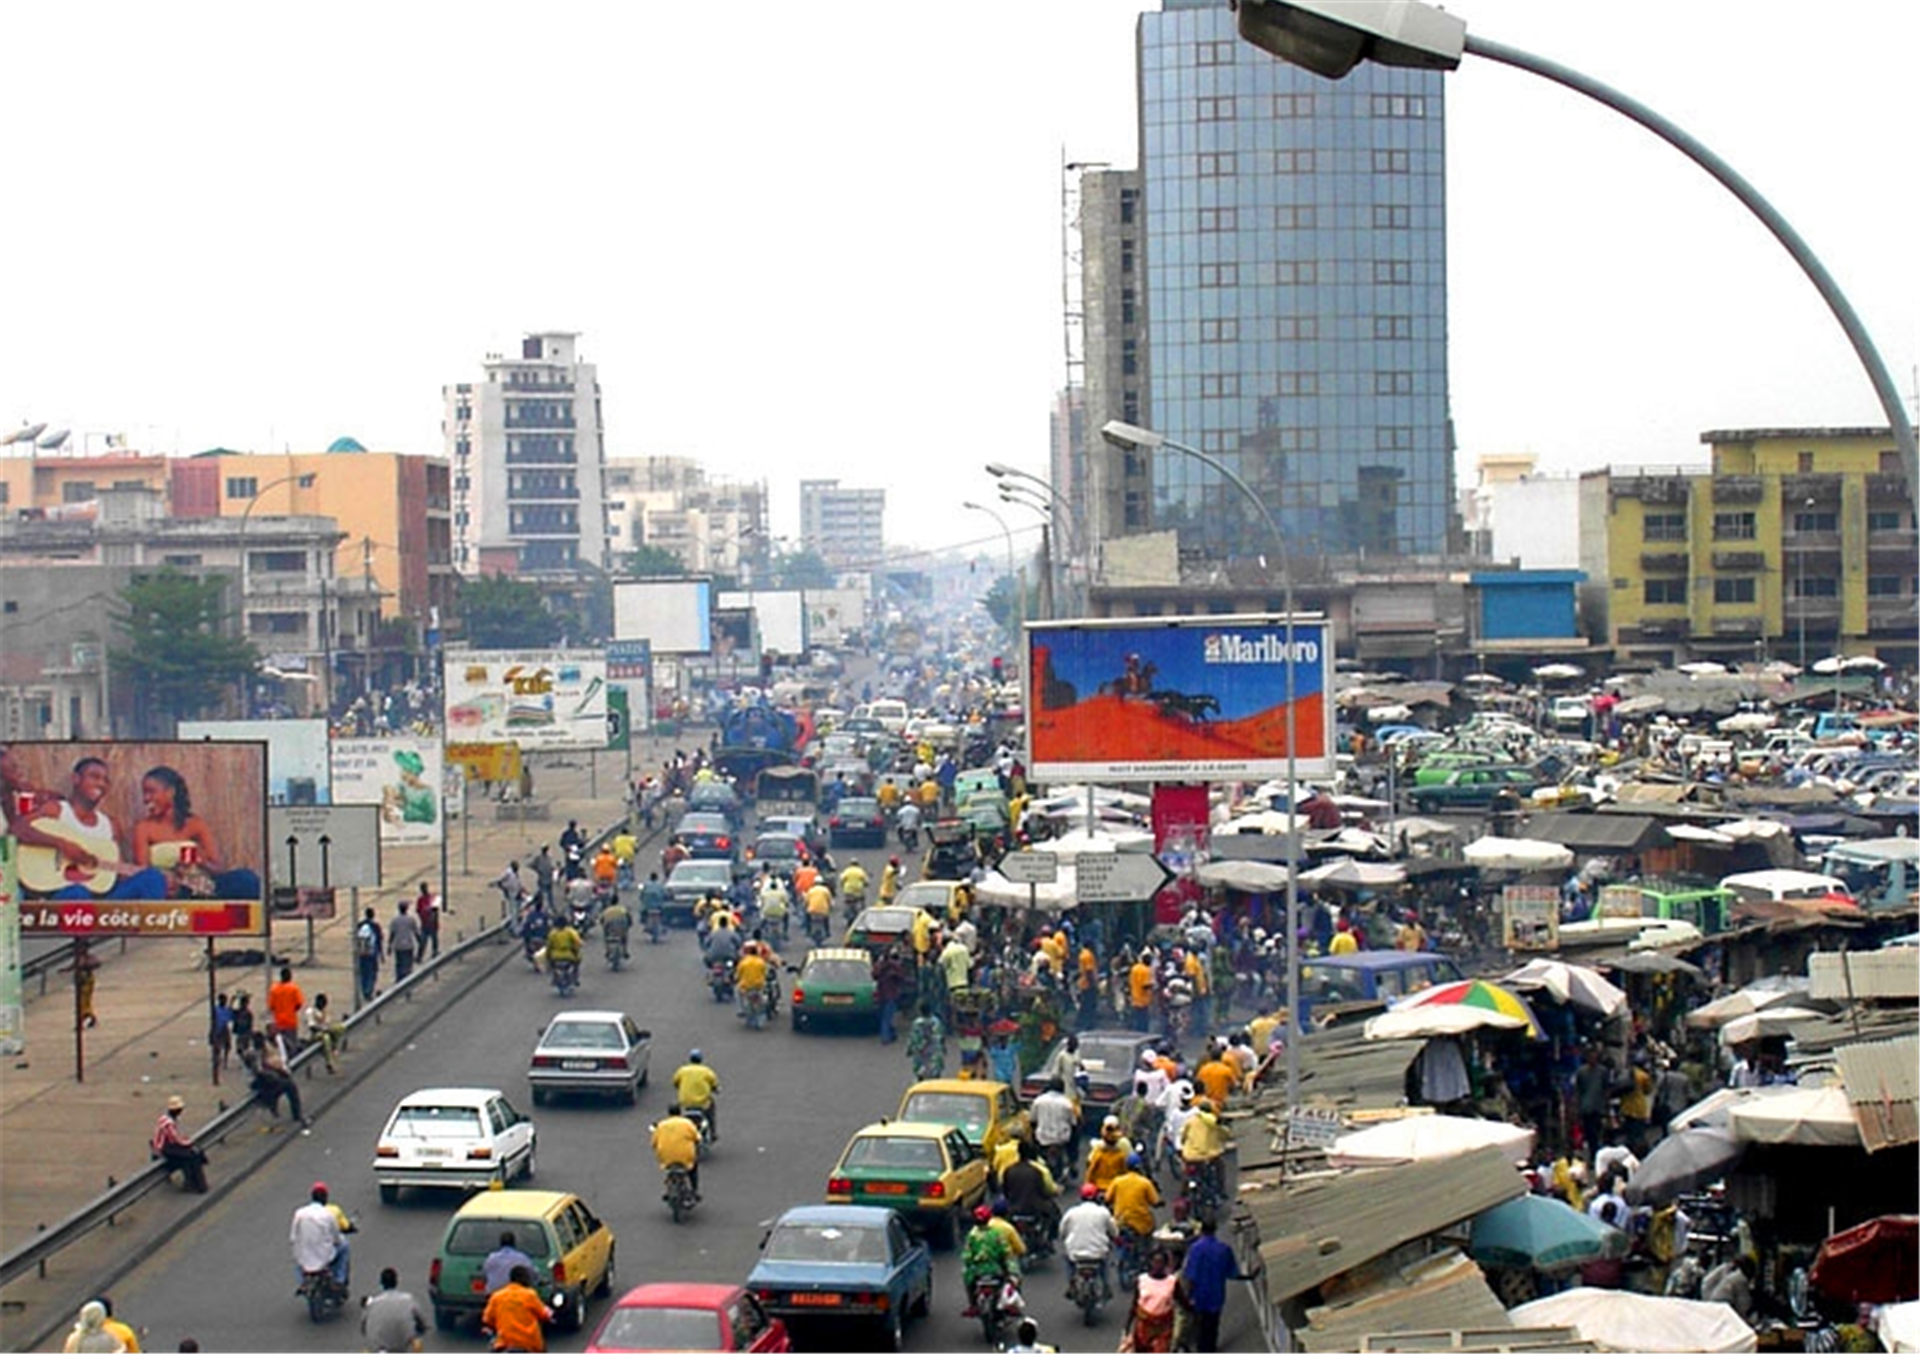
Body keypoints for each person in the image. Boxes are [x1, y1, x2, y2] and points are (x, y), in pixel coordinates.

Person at [17, 756, 168, 901]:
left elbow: (116, 871)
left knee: (153, 878)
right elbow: (19, 830)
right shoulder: (57, 810)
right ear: (76, 779)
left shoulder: (111, 824)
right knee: (77, 892)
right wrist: (61, 844)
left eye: (106, 781)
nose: (101, 784)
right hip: (63, 895)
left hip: (101, 900)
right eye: (94, 777)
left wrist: (141, 873)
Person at [128, 765, 262, 899]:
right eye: (144, 793)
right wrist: (169, 876)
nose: (146, 799)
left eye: (151, 792)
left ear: (170, 792)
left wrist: (201, 861)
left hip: (200, 885)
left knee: (246, 879)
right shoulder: (144, 828)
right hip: (169, 889)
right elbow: (143, 873)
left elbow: (218, 868)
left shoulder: (195, 824)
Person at [1180, 1215, 1255, 1353]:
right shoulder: (1224, 1249)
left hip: (1199, 1296)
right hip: (1216, 1296)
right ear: (1215, 1230)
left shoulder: (1195, 1249)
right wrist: (1250, 1277)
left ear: (1202, 1230)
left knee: (1199, 1327)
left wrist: (1187, 1296)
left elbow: (1190, 1276)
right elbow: (1232, 1273)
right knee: (1212, 1327)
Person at [1058, 1183, 1119, 1303]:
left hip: (1075, 1253)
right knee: (1104, 1264)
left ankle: (1071, 1284)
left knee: (1068, 1261)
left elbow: (1062, 1232)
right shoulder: (1103, 1212)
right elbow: (1114, 1231)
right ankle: (1106, 1287)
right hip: (1098, 1254)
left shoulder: (1071, 1212)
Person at [961, 1203, 1018, 1318]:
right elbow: (1005, 1251)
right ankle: (1010, 1304)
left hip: (977, 1271)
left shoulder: (972, 1235)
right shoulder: (996, 1234)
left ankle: (973, 1305)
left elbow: (966, 1255)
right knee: (1012, 1278)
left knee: (967, 1280)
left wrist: (970, 1264)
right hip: (995, 1268)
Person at [289, 1181, 350, 1288]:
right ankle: (340, 1279)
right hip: (324, 1257)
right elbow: (336, 1238)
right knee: (344, 1246)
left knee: (298, 1263)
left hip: (304, 1257)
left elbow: (293, 1237)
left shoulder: (299, 1213)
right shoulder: (328, 1215)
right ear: (325, 1198)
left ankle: (302, 1283)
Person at [480, 1264, 552, 1353]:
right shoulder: (530, 1295)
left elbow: (487, 1319)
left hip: (505, 1343)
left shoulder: (497, 1296)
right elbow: (543, 1314)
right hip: (529, 1343)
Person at [1124, 1248, 1180, 1353]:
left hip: (1163, 1328)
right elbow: (1135, 1304)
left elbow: (1181, 1300)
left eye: (1161, 1262)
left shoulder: (1172, 1282)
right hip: (1143, 1327)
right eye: (1155, 1262)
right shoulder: (1142, 1280)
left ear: (1165, 1265)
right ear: (1150, 1263)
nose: (1158, 1265)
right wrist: (1127, 1325)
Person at [361, 1266, 428, 1353]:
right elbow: (421, 1322)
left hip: (378, 1348)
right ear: (396, 1282)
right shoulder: (408, 1300)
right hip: (401, 1347)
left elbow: (363, 1327)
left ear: (381, 1283)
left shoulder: (373, 1303)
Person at [150, 1095, 207, 1193]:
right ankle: (198, 1185)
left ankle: (192, 1184)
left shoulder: (165, 1118)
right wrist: (189, 1143)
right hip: (165, 1148)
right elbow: (175, 1139)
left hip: (166, 1146)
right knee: (192, 1155)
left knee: (190, 1155)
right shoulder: (168, 1123)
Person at [251, 1032, 309, 1128]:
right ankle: (272, 1102)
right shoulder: (255, 1054)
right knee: (289, 1086)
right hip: (262, 1082)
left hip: (271, 1078)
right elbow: (259, 1071)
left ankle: (296, 1114)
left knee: (289, 1084)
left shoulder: (265, 1049)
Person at [1032, 1077, 1079, 1181]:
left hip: (1042, 1138)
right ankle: (1073, 1161)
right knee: (1076, 1135)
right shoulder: (1067, 1103)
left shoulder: (1038, 1101)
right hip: (1061, 1139)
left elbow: (1033, 1120)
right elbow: (1073, 1122)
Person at [671, 1049, 721, 1142]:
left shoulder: (682, 1070)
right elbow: (715, 1085)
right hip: (702, 1103)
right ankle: (713, 1132)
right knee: (711, 1110)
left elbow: (675, 1082)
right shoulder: (707, 1071)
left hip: (686, 1103)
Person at [303, 992, 345, 1074]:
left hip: (324, 1031)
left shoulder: (324, 1012)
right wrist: (323, 1030)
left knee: (340, 1028)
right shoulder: (310, 1011)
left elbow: (327, 1023)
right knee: (326, 1038)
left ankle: (334, 1045)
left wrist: (328, 1029)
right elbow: (312, 1027)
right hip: (314, 1035)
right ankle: (329, 1063)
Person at [906, 1002, 946, 1080]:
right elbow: (941, 1035)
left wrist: (909, 1049)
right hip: (934, 1050)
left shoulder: (917, 1023)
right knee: (935, 1070)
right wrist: (943, 1047)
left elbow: (913, 1038)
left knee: (920, 1071)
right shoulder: (936, 1021)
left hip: (921, 1051)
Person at [267, 965, 304, 1047]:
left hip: (279, 1022)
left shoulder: (274, 989)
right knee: (292, 1045)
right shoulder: (294, 988)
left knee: (281, 1045)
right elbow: (299, 1004)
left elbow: (271, 1006)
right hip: (291, 1022)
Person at [388, 899, 422, 984]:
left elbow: (392, 934)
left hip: (398, 945)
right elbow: (416, 932)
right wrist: (420, 941)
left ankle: (399, 979)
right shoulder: (411, 919)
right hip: (408, 945)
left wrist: (389, 945)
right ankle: (407, 978)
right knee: (408, 963)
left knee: (399, 963)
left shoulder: (395, 920)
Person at [354, 907, 384, 1003]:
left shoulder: (360, 925)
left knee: (363, 973)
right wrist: (381, 954)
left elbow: (356, 940)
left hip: (362, 954)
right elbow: (379, 941)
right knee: (372, 973)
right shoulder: (375, 926)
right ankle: (369, 990)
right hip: (372, 954)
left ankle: (364, 990)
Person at [542, 913, 583, 982]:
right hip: (569, 956)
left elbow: (549, 945)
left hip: (555, 956)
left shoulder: (553, 933)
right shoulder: (570, 932)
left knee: (551, 965)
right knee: (577, 963)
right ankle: (575, 978)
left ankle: (554, 978)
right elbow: (578, 943)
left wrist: (547, 955)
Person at [414, 881, 443, 959]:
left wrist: (432, 919)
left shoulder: (432, 898)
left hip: (432, 924)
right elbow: (418, 911)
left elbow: (435, 911)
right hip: (425, 924)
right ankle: (420, 956)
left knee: (433, 939)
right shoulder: (420, 900)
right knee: (423, 941)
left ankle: (434, 952)